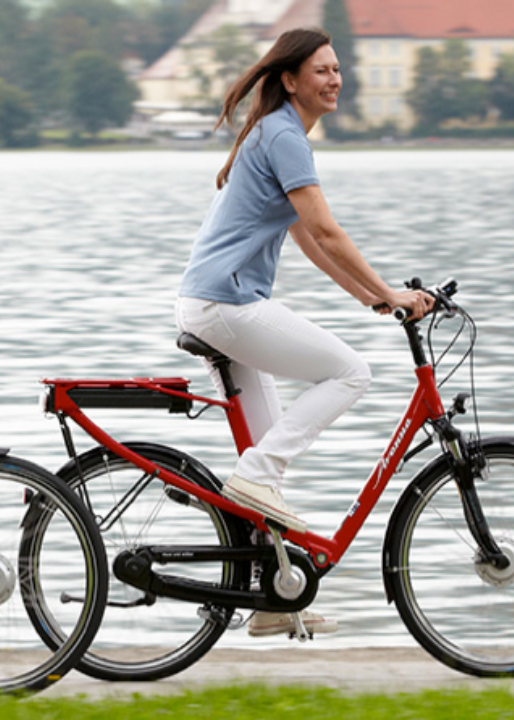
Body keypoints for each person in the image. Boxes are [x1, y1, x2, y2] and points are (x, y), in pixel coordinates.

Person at [175, 27, 432, 638]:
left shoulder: (274, 133)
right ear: (290, 79)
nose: (334, 79)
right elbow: (327, 228)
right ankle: (255, 480)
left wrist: (373, 298)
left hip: (213, 303)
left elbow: (309, 241)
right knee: (350, 373)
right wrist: (392, 292)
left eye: (338, 69)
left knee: (267, 464)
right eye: (321, 70)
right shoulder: (285, 135)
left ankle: (273, 600)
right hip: (225, 304)